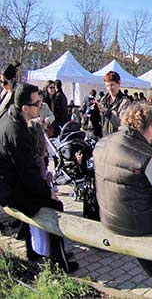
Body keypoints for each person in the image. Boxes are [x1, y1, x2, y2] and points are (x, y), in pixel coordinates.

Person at [94, 103, 152, 292]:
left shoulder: (103, 143)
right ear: (143, 126)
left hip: (108, 217)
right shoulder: (147, 157)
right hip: (134, 224)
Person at [0, 83, 78, 272]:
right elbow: (28, 173)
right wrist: (47, 192)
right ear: (25, 108)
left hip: (10, 184)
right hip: (11, 189)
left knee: (42, 199)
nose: (40, 105)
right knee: (55, 206)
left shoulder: (10, 117)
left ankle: (34, 252)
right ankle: (59, 263)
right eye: (37, 103)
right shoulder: (16, 131)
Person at [99, 71, 131, 137]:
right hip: (104, 137)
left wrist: (107, 113)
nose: (110, 88)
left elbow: (122, 124)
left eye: (112, 85)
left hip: (117, 138)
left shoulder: (125, 101)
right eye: (107, 85)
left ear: (119, 83)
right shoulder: (103, 100)